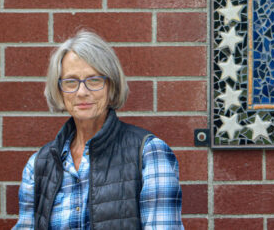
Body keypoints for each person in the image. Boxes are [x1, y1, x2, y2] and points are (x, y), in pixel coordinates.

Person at [13, 30, 184, 229]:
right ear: (59, 89)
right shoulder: (39, 165)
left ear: (111, 86)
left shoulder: (148, 153)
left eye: (94, 80)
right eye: (71, 81)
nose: (82, 92)